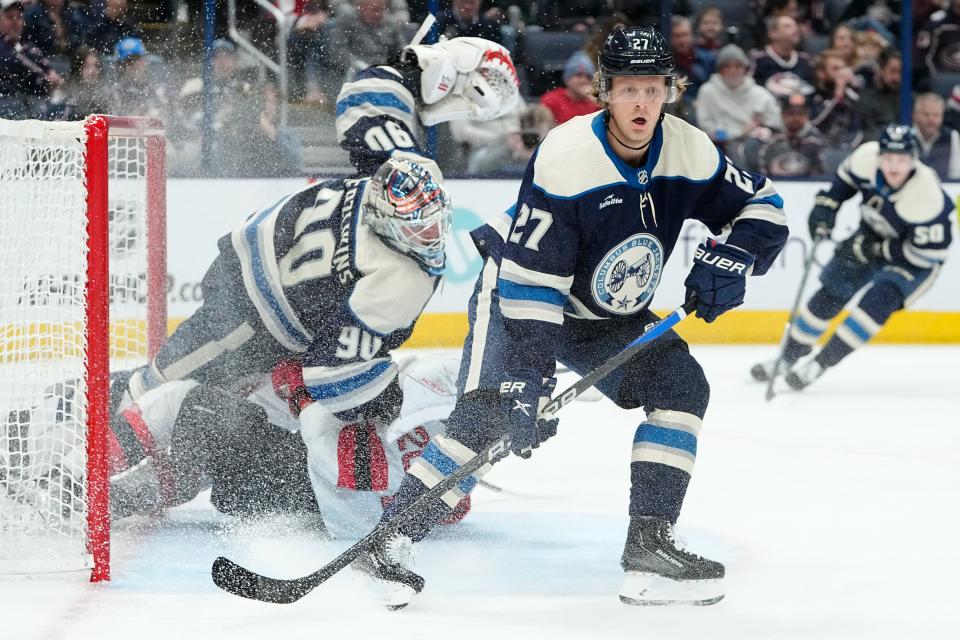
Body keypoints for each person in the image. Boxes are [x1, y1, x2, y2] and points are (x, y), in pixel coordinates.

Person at [356, 25, 788, 609]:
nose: (642, 103)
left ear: (671, 90)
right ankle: (391, 539)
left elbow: (763, 204)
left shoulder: (690, 151)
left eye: (654, 89)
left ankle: (649, 545)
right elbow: (535, 289)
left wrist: (737, 255)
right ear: (605, 90)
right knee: (489, 416)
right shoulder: (566, 158)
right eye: (629, 89)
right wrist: (526, 383)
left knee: (682, 387)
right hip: (518, 295)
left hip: (609, 310)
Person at [1, 354, 469, 539]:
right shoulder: (445, 417)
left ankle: (69, 479)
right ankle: (78, 497)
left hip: (298, 486)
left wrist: (305, 399)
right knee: (193, 446)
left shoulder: (431, 397)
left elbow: (347, 463)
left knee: (183, 402)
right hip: (291, 484)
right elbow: (450, 503)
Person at [750, 124, 954, 390]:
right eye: (889, 158)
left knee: (878, 301)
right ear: (879, 155)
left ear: (914, 160)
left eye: (902, 160)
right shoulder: (865, 158)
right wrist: (827, 206)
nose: (894, 167)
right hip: (871, 235)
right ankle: (788, 358)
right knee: (831, 292)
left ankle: (820, 364)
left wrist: (877, 250)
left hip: (914, 260)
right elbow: (843, 184)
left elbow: (926, 254)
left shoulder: (926, 196)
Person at [539, 50, 600, 125]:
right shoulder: (552, 99)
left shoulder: (595, 102)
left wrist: (596, 98)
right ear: (567, 79)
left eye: (588, 77)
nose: (584, 80)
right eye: (579, 75)